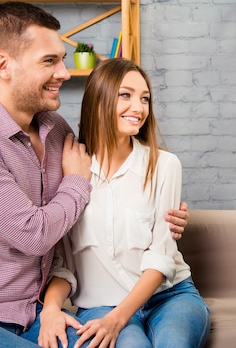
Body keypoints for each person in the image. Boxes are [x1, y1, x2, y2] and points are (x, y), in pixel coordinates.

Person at [0, 1, 189, 348]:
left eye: (62, 59)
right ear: (3, 65)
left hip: (40, 310)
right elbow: (35, 234)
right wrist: (76, 181)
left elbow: (107, 189)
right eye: (49, 61)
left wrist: (167, 217)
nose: (64, 72)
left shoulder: (55, 129)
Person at [38, 58, 210, 348]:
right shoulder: (71, 170)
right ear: (98, 100)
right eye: (126, 95)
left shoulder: (165, 165)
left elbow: (161, 258)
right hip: (101, 305)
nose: (139, 107)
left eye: (145, 98)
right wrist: (51, 308)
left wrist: (119, 319)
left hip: (170, 296)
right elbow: (63, 262)